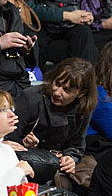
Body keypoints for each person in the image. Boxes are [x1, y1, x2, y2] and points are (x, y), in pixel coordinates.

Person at [6, 58, 97, 186]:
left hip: (58, 162)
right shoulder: (31, 97)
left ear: (81, 93)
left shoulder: (83, 108)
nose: (57, 92)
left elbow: (77, 145)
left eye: (66, 90)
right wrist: (24, 143)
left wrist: (70, 158)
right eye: (57, 83)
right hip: (30, 160)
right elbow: (9, 140)